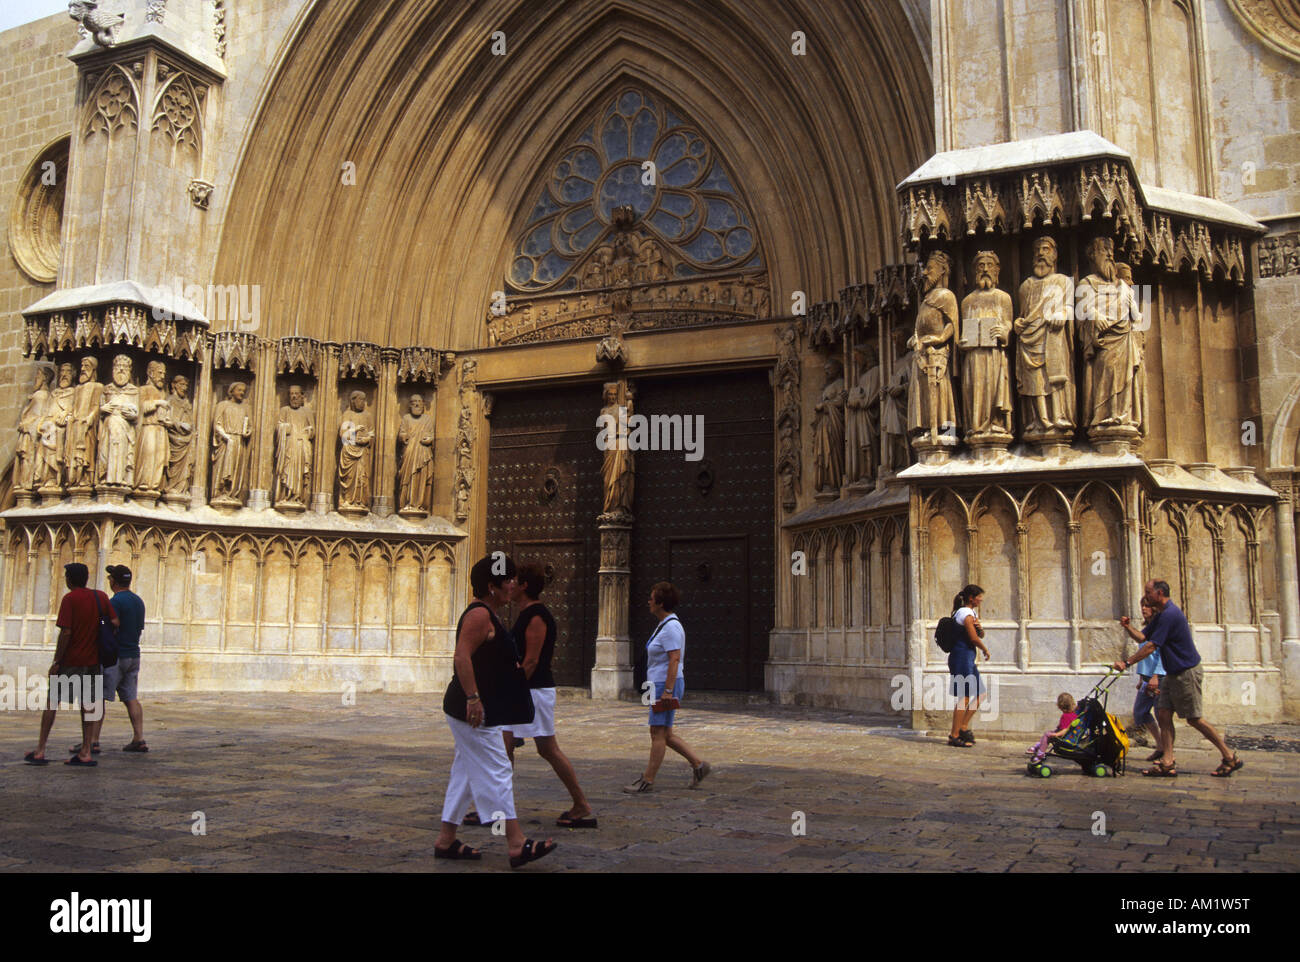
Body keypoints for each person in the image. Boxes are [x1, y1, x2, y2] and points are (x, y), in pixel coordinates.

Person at [435, 555, 556, 867]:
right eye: (507, 580)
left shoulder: (490, 614)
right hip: (471, 710)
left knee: (464, 773)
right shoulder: (479, 615)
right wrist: (473, 698)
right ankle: (515, 843)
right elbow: (461, 657)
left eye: (514, 578)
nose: (513, 584)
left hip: (476, 708)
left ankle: (446, 839)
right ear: (491, 586)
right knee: (497, 769)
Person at [1112, 580, 1242, 777]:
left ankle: (1229, 756)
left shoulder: (1170, 615)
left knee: (1194, 719)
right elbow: (1142, 638)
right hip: (1173, 674)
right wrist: (1128, 627)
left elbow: (1151, 647)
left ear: (1160, 593)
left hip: (1186, 672)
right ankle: (1167, 761)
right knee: (1163, 714)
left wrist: (1127, 663)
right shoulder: (1161, 615)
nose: (1145, 596)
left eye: (1148, 592)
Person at [501, 563, 596, 828]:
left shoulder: (537, 617)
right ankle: (499, 808)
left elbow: (531, 662)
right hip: (525, 690)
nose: (509, 585)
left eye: (513, 581)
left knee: (548, 749)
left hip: (533, 691)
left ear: (525, 586)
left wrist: (510, 690)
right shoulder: (526, 613)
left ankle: (581, 803)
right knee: (505, 747)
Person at [24, 563, 117, 767]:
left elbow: (66, 632)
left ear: (69, 579)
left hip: (71, 660)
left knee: (52, 702)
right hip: (93, 661)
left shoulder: (70, 599)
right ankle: (85, 750)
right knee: (88, 705)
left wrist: (57, 661)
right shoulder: (100, 597)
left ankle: (40, 750)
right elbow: (114, 622)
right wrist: (98, 630)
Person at [623, 582, 709, 793]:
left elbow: (674, 659)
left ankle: (648, 779)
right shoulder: (665, 624)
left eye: (652, 598)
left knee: (657, 733)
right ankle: (699, 765)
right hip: (657, 683)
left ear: (660, 603)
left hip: (664, 684)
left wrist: (667, 691)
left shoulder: (670, 627)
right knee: (665, 733)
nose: (649, 601)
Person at [82, 565, 148, 754]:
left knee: (99, 697)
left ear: (114, 581)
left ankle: (93, 740)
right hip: (133, 654)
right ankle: (139, 737)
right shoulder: (138, 601)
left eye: (111, 578)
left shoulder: (115, 602)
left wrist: (100, 620)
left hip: (115, 656)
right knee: (131, 698)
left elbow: (110, 623)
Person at [947, 584, 991, 748]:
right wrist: (985, 649)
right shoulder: (965, 614)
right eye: (979, 596)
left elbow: (979, 634)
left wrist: (979, 627)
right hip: (961, 658)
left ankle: (963, 727)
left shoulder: (970, 614)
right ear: (971, 598)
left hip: (967, 658)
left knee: (981, 694)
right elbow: (973, 639)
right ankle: (954, 735)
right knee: (964, 698)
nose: (981, 599)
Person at [1128, 598, 1169, 763]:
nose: (1143, 609)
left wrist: (1155, 676)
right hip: (1146, 679)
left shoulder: (1160, 629)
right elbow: (1145, 656)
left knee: (1161, 715)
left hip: (1158, 678)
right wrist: (1141, 677)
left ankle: (1167, 753)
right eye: (1142, 606)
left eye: (1147, 606)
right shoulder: (1146, 630)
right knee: (1140, 712)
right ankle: (1160, 745)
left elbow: (1160, 654)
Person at [1026, 693, 1077, 764]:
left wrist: (1056, 734)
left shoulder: (1066, 716)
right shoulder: (1074, 714)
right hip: (1067, 736)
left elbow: (1065, 730)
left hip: (1064, 737)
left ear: (1060, 706)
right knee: (1048, 733)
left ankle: (1040, 753)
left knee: (1047, 735)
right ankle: (1037, 747)